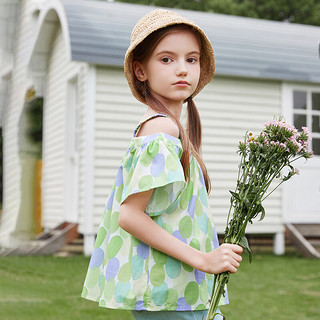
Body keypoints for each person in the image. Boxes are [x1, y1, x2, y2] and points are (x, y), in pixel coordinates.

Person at [81, 8, 243, 320]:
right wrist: (204, 260)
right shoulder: (161, 131)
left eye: (191, 59)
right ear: (141, 70)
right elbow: (130, 215)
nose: (182, 69)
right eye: (167, 59)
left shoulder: (170, 130)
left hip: (175, 292)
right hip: (169, 292)